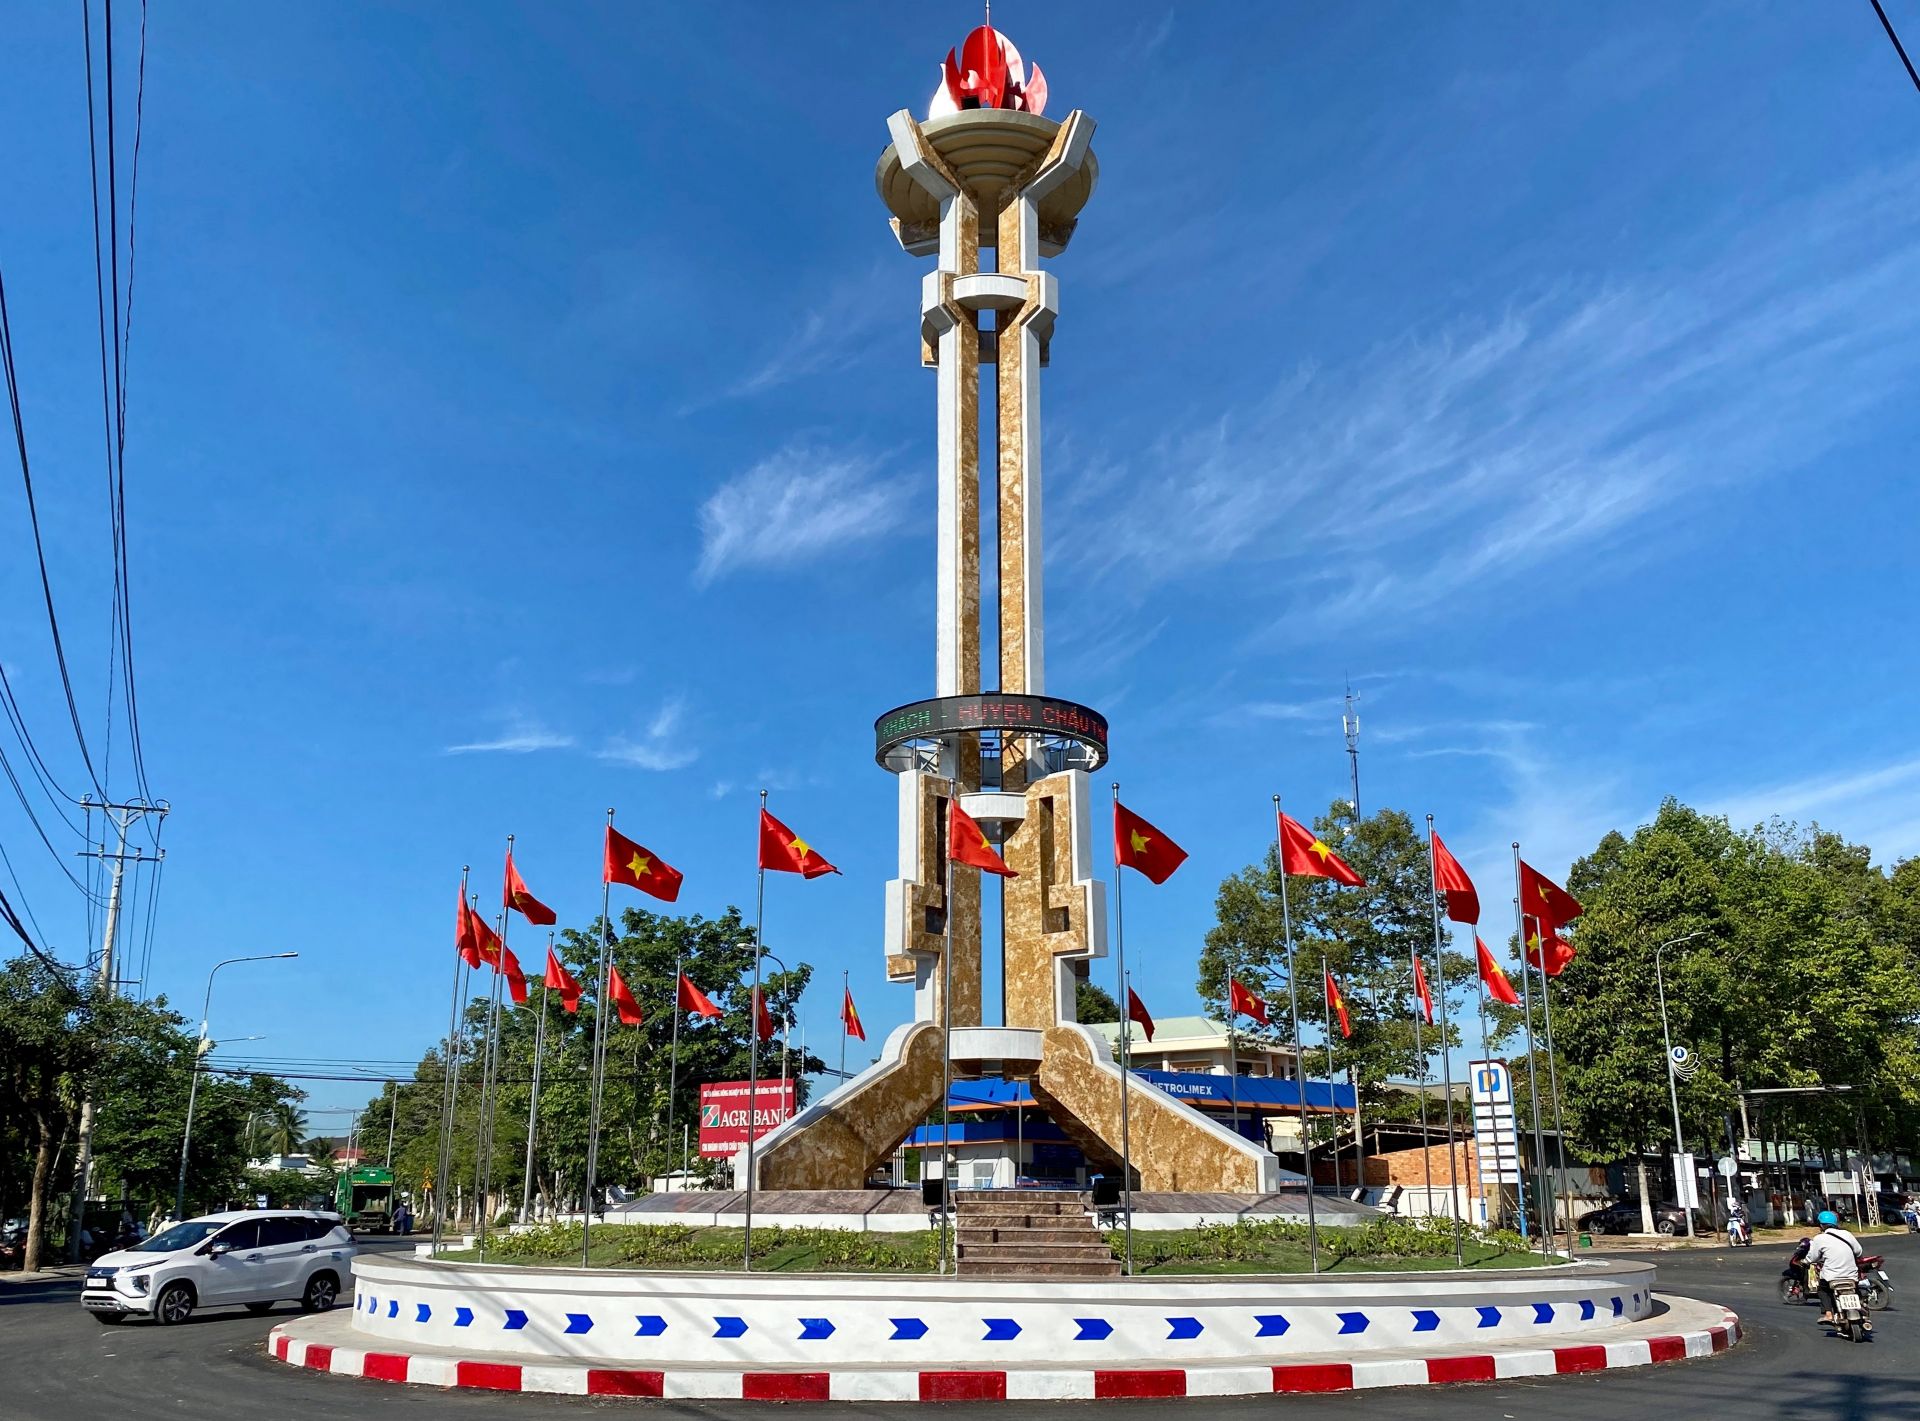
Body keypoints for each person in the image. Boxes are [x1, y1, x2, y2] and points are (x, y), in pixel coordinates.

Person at [1804, 1209, 1869, 1331]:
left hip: (1831, 1277)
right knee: (1855, 1289)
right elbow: (1859, 1251)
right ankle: (1861, 1306)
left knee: (1822, 1290)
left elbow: (1812, 1257)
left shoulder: (1819, 1238)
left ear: (1821, 1225)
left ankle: (1828, 1314)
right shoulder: (1847, 1234)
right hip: (1851, 1275)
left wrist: (1806, 1262)